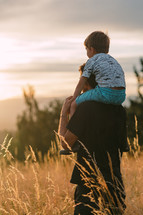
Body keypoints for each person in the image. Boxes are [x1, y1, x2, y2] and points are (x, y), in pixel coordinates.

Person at [58, 75, 128, 214]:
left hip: (89, 186)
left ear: (85, 85)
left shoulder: (85, 108)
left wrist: (64, 114)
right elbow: (122, 147)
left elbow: (65, 144)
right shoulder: (119, 109)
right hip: (115, 185)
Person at [70, 31, 126, 117]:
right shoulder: (113, 60)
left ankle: (72, 127)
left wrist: (74, 99)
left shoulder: (91, 61)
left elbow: (81, 83)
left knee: (74, 105)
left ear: (91, 49)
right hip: (121, 96)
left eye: (86, 49)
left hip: (106, 93)